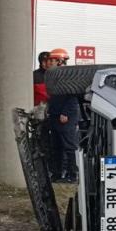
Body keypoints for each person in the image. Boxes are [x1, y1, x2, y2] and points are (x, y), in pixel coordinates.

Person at [46, 53, 79, 183]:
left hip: (66, 117)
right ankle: (57, 174)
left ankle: (72, 174)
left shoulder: (67, 76)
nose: (49, 62)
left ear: (60, 61)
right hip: (55, 115)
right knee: (56, 147)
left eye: (52, 60)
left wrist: (65, 113)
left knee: (69, 146)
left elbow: (72, 97)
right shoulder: (53, 76)